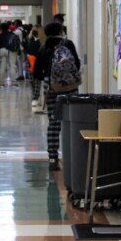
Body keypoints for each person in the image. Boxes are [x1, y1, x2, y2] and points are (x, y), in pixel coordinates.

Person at [36, 21, 81, 170]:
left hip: (51, 89)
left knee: (54, 124)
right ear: (61, 31)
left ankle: (52, 159)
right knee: (72, 121)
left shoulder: (43, 48)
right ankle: (73, 156)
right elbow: (77, 64)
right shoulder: (68, 44)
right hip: (71, 88)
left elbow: (36, 73)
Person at [26, 27, 42, 108]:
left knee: (36, 80)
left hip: (36, 62)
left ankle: (35, 96)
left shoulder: (39, 41)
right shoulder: (29, 41)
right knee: (33, 80)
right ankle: (35, 96)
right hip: (31, 62)